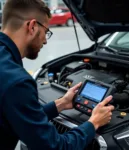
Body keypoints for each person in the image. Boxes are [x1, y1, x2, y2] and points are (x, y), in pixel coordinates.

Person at [0, 0, 114, 150]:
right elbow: (54, 147)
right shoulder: (17, 82)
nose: (46, 41)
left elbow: (18, 116)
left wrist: (60, 104)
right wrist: (94, 123)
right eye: (46, 32)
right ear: (32, 26)